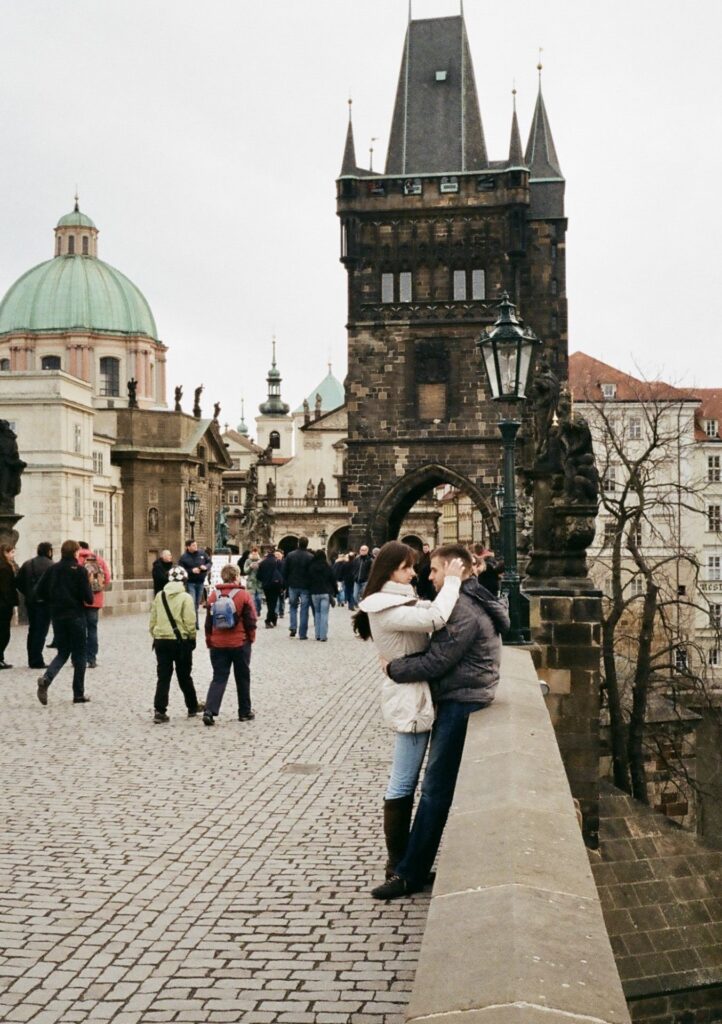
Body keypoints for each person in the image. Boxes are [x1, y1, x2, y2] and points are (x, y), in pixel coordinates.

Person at [371, 543, 510, 899]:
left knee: (434, 792)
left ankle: (409, 873)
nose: (427, 577)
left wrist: (394, 668)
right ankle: (410, 866)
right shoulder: (473, 596)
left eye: (433, 570)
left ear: (451, 568)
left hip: (461, 700)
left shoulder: (460, 607)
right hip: (467, 694)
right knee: (435, 789)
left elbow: (436, 661)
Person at [355, 541, 463, 881]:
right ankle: (397, 865)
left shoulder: (394, 600)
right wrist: (455, 581)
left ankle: (403, 862)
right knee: (403, 780)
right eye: (406, 567)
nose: (413, 573)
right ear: (389, 571)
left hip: (413, 691)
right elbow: (435, 617)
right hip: (409, 697)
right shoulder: (385, 606)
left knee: (406, 779)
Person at [35, 540, 94, 705]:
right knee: (80, 655)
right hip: (76, 616)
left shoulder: (52, 569)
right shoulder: (80, 571)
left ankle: (47, 679)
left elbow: (38, 591)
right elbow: (88, 598)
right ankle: (78, 694)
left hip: (58, 617)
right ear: (75, 553)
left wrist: (53, 601)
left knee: (62, 652)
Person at [202, 563, 257, 726]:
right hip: (239, 643)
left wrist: (209, 640)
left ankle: (209, 711)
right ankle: (244, 711)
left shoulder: (213, 595)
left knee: (218, 677)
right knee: (242, 677)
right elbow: (251, 620)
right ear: (236, 577)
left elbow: (208, 622)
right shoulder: (243, 595)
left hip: (218, 644)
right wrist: (250, 638)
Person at [149, 565, 201, 723]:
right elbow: (190, 621)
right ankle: (192, 706)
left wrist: (156, 633)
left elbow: (153, 620)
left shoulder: (160, 596)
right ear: (184, 581)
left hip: (161, 640)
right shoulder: (186, 597)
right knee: (184, 675)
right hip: (180, 641)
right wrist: (192, 638)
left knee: (163, 676)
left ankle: (159, 710)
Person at [16, 542, 54, 668]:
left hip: (31, 602)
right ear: (49, 551)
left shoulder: (28, 564)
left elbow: (18, 582)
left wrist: (28, 593)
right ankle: (37, 660)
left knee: (32, 630)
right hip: (46, 603)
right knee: (41, 631)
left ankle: (31, 657)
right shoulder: (52, 565)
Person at [76, 542, 111, 668]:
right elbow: (107, 578)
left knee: (79, 630)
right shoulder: (98, 559)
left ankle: (78, 659)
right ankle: (92, 659)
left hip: (79, 601)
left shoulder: (77, 560)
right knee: (92, 630)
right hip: (95, 600)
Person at [282, 536, 313, 639]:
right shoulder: (310, 557)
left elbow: (284, 570)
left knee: (293, 607)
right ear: (307, 544)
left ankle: (293, 627)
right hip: (306, 586)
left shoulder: (290, 555)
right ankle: (303, 633)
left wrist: (286, 583)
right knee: (304, 609)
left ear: (298, 543)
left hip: (293, 585)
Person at [307, 549, 337, 641]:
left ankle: (317, 635)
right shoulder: (327, 567)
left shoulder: (311, 567)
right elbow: (333, 580)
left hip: (314, 593)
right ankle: (323, 635)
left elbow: (308, 580)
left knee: (317, 613)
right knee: (324, 614)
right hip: (325, 592)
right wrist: (335, 591)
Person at [179, 539, 210, 627]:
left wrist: (206, 567)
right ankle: (192, 623)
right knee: (191, 603)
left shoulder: (202, 553)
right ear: (188, 547)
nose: (195, 546)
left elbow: (209, 562)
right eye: (193, 545)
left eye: (196, 545)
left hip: (200, 582)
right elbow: (181, 570)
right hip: (190, 583)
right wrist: (191, 571)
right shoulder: (184, 557)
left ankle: (195, 623)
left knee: (196, 603)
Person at [0, 543, 18, 669]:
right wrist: (11, 604)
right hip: (3, 605)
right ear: (5, 553)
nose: (13, 555)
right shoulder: (5, 568)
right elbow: (6, 589)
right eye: (11, 552)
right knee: (4, 633)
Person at [256, 545, 283, 628]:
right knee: (273, 603)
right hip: (275, 584)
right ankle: (268, 620)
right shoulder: (277, 562)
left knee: (269, 603)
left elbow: (258, 576)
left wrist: (264, 580)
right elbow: (281, 574)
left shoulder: (263, 562)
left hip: (266, 585)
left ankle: (273, 618)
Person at [243, 547, 263, 616]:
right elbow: (245, 571)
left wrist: (259, 567)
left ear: (258, 553)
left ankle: (258, 609)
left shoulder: (261, 561)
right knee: (253, 600)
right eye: (253, 553)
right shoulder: (248, 561)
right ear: (251, 553)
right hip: (251, 584)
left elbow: (264, 571)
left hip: (259, 583)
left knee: (259, 600)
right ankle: (254, 612)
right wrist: (250, 567)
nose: (254, 554)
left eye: (256, 553)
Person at [274, 549, 286, 618]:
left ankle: (282, 611)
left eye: (278, 555)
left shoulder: (284, 563)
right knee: (277, 598)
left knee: (282, 599)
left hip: (283, 583)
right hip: (275, 583)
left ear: (282, 555)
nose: (277, 556)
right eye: (276, 555)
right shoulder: (273, 563)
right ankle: (276, 612)